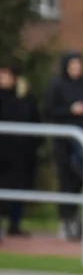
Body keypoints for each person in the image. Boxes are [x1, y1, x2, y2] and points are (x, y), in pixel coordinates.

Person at [45, 51, 83, 240]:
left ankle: (81, 221)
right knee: (65, 181)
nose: (77, 69)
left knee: (82, 180)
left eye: (79, 65)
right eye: (73, 66)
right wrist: (70, 111)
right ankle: (65, 220)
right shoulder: (56, 85)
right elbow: (49, 111)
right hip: (64, 141)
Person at [0, 61, 42, 238]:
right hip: (2, 152)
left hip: (20, 153)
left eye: (6, 75)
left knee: (18, 187)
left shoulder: (25, 98)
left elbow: (34, 120)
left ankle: (14, 224)